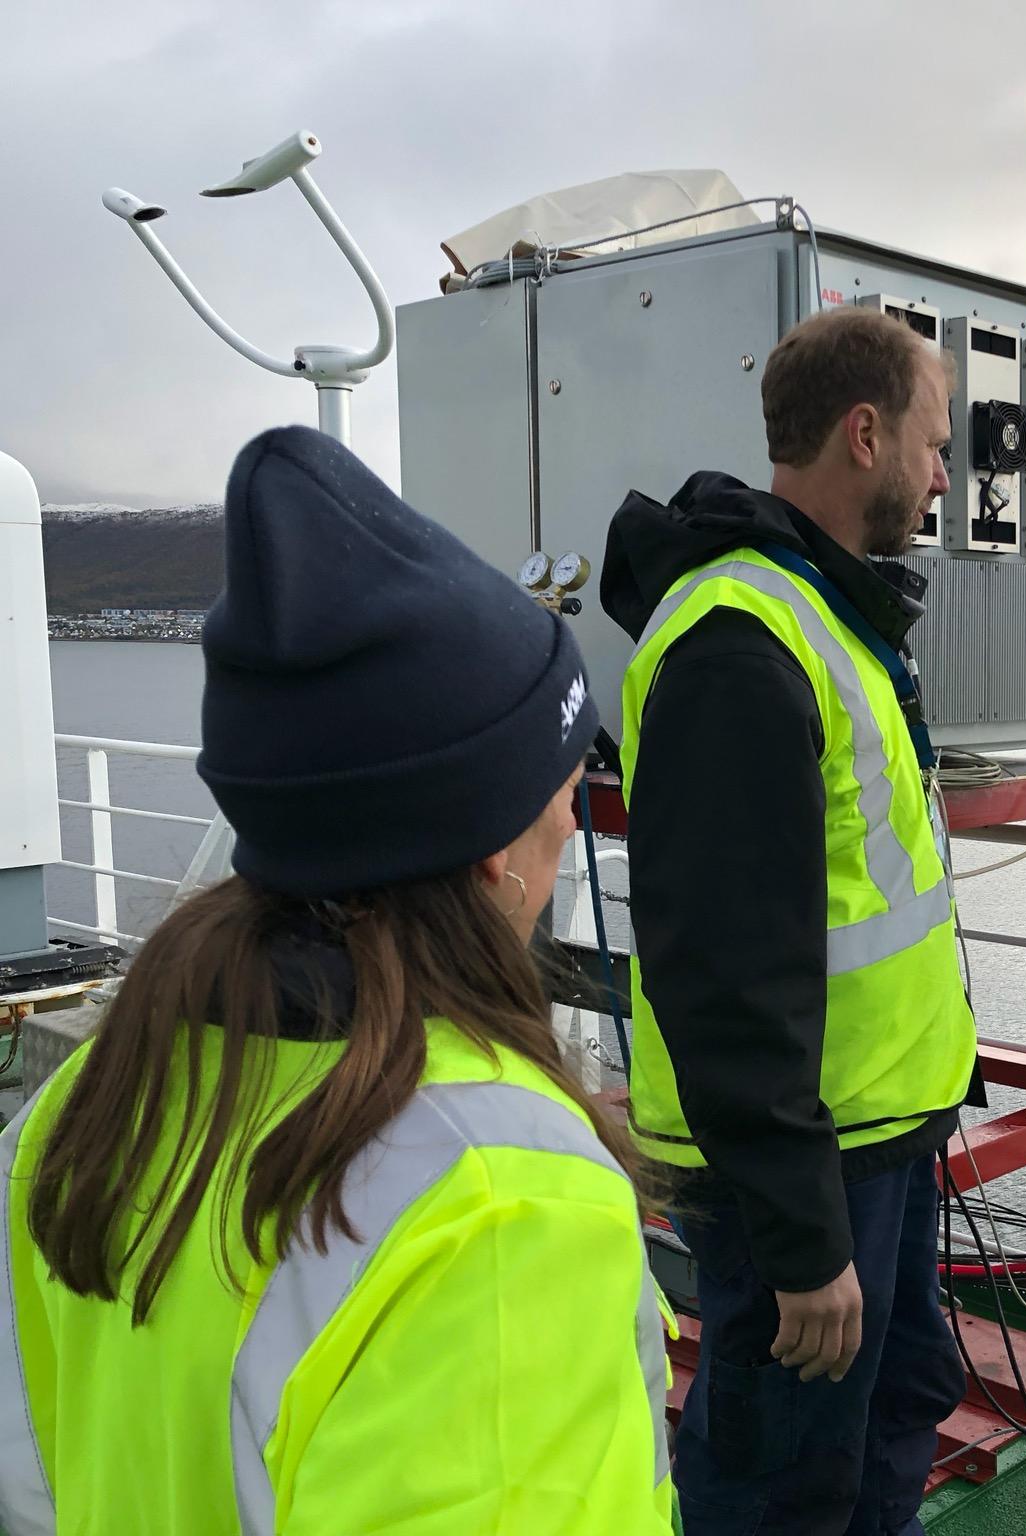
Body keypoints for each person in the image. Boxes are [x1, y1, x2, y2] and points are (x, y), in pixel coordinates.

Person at [0, 426, 677, 1536]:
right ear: (494, 849)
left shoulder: (73, 1117)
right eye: (562, 796)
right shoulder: (504, 1201)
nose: (573, 821)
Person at [601, 305, 976, 1536]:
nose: (940, 474)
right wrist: (805, 1241)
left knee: (887, 1418)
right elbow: (721, 969)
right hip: (804, 1171)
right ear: (863, 435)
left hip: (876, 1133)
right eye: (931, 441)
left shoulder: (820, 610)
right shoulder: (739, 641)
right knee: (778, 1486)